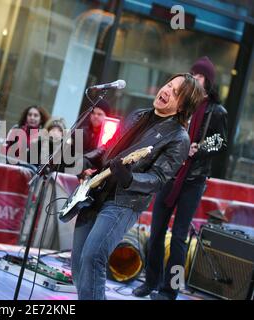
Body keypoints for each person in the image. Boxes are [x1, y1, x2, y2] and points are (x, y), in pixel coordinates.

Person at [71, 73, 205, 300]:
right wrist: (87, 160)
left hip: (124, 202)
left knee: (94, 255)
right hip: (96, 192)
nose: (166, 91)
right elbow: (110, 148)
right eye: (168, 85)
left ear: (184, 105)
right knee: (79, 261)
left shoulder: (179, 138)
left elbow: (158, 178)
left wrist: (129, 179)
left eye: (175, 92)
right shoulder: (138, 115)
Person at [133, 57, 228, 300]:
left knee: (178, 238)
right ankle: (151, 282)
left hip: (194, 180)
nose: (194, 78)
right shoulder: (183, 104)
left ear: (208, 81)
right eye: (192, 74)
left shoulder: (217, 111)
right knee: (155, 233)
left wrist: (199, 147)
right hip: (170, 175)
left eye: (199, 76)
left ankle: (169, 290)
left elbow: (220, 142)